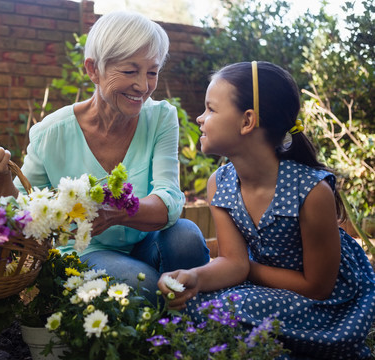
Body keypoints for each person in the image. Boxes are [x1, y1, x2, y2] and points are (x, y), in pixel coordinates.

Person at [0, 10, 210, 300]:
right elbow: (20, 214)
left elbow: (170, 201)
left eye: (152, 72)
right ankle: (168, 321)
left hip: (149, 241)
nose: (143, 86)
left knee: (186, 238)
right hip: (88, 252)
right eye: (130, 71)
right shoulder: (50, 134)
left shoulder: (160, 118)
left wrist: (118, 212)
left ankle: (193, 324)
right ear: (93, 69)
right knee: (144, 287)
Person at [157, 61, 375, 359]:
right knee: (196, 303)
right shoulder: (219, 183)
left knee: (230, 306)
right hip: (268, 291)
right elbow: (233, 262)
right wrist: (195, 276)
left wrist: (245, 270)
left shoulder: (311, 192)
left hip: (326, 306)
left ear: (247, 121)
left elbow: (317, 287)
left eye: (211, 109)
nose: (199, 117)